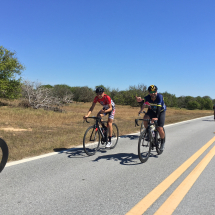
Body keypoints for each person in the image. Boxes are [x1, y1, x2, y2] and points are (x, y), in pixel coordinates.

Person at [136, 85, 166, 151]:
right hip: (152, 111)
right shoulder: (148, 97)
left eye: (154, 91)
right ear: (149, 92)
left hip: (160, 112)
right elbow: (143, 101)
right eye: (151, 92)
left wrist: (156, 118)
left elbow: (158, 108)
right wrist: (139, 100)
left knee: (159, 128)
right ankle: (148, 132)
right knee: (145, 118)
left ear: (156, 91)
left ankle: (162, 142)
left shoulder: (159, 97)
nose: (153, 93)